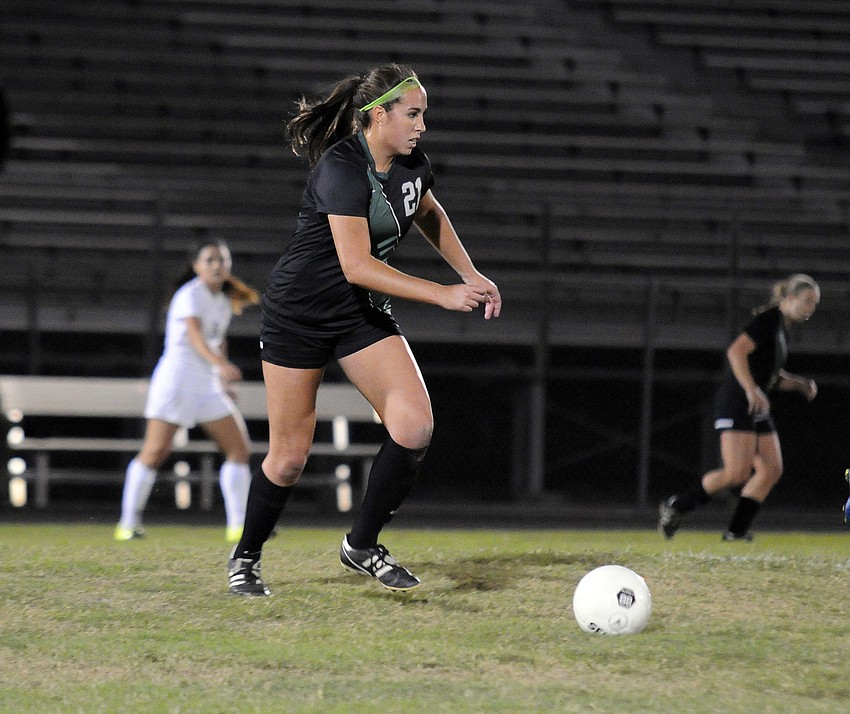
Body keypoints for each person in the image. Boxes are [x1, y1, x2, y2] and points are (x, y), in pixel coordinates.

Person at [227, 63, 501, 597]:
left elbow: (425, 210)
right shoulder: (342, 167)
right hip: (299, 315)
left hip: (357, 313)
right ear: (378, 116)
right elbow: (355, 264)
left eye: (425, 114)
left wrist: (470, 273)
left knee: (414, 426)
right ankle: (246, 558)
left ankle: (362, 545)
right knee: (287, 460)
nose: (423, 125)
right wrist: (443, 293)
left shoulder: (411, 163)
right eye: (413, 114)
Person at [115, 239, 260, 543]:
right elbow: (194, 336)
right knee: (154, 453)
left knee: (239, 450)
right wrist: (220, 365)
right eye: (210, 260)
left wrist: (221, 378)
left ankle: (239, 526)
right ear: (196, 266)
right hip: (176, 382)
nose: (217, 265)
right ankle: (127, 524)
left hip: (206, 386)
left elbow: (217, 341)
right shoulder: (189, 294)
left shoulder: (222, 300)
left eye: (222, 259)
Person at [659, 274, 820, 541]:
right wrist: (751, 389)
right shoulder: (769, 320)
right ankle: (676, 506)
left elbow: (771, 376)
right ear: (790, 299)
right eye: (807, 302)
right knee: (736, 473)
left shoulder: (781, 329)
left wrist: (801, 384)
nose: (811, 309)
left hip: (754, 404)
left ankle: (736, 531)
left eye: (814, 303)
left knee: (771, 470)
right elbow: (736, 351)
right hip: (738, 402)